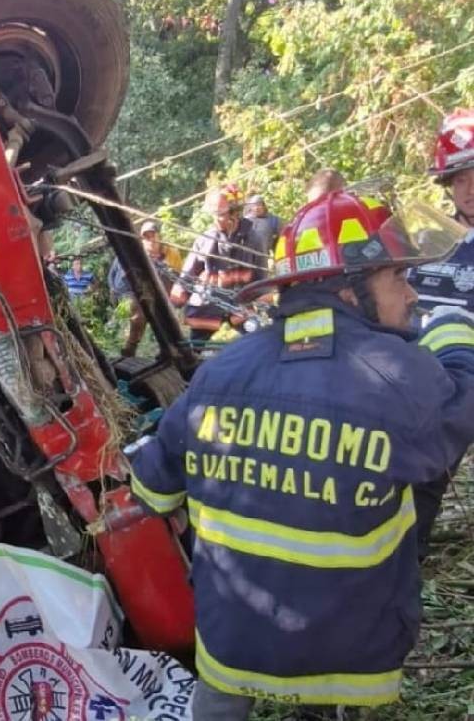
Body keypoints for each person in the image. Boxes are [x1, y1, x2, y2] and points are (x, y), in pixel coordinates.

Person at [127, 190, 474, 719]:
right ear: (351, 291)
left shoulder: (219, 370)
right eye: (397, 278)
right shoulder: (400, 376)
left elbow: (152, 487)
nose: (412, 296)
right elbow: (458, 414)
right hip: (342, 652)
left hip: (231, 643)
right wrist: (455, 334)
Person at [406, 107, 474, 557]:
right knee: (420, 483)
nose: (469, 189)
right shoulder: (430, 242)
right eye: (459, 178)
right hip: (436, 395)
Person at [170, 185, 265, 341]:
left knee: (254, 343)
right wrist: (175, 302)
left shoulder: (253, 239)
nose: (216, 219)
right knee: (195, 347)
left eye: (219, 215)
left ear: (235, 214)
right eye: (214, 215)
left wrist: (262, 301)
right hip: (207, 304)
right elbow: (188, 274)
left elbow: (261, 276)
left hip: (240, 305)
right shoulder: (206, 239)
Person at [108, 220, 183, 356]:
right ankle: (130, 348)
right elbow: (115, 275)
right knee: (139, 316)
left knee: (166, 318)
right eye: (146, 237)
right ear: (142, 240)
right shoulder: (136, 255)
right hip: (137, 291)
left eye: (152, 235)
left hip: (162, 292)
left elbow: (177, 278)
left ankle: (169, 349)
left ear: (158, 236)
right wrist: (114, 290)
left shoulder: (171, 253)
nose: (150, 240)